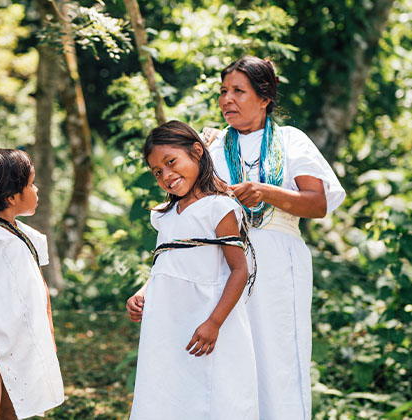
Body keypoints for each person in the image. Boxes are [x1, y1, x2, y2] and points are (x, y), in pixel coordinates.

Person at [128, 57, 346, 419]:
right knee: (229, 364)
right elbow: (182, 226)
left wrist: (266, 192)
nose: (227, 99)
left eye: (238, 91)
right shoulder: (209, 145)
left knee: (277, 359)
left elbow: (318, 204)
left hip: (277, 264)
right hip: (219, 271)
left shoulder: (292, 141)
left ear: (265, 97)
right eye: (223, 92)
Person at [127, 120, 257, 419]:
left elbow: (240, 270)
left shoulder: (219, 207)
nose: (166, 175)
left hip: (207, 318)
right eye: (157, 171)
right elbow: (164, 266)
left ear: (197, 151)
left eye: (171, 162)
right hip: (167, 321)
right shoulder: (165, 215)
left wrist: (213, 323)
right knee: (167, 390)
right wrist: (143, 292)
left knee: (211, 391)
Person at [0, 149, 64, 420]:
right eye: (30, 184)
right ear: (10, 196)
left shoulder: (30, 236)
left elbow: (40, 290)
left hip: (21, 338)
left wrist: (48, 334)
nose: (37, 188)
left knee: (14, 407)